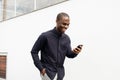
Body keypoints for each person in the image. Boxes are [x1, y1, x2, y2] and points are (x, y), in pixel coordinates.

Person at [31, 12, 83, 80]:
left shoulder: (67, 38)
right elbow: (34, 51)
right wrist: (41, 69)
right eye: (64, 24)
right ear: (57, 21)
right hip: (48, 73)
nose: (66, 26)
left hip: (60, 74)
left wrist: (75, 52)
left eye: (68, 24)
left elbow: (69, 54)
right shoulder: (45, 36)